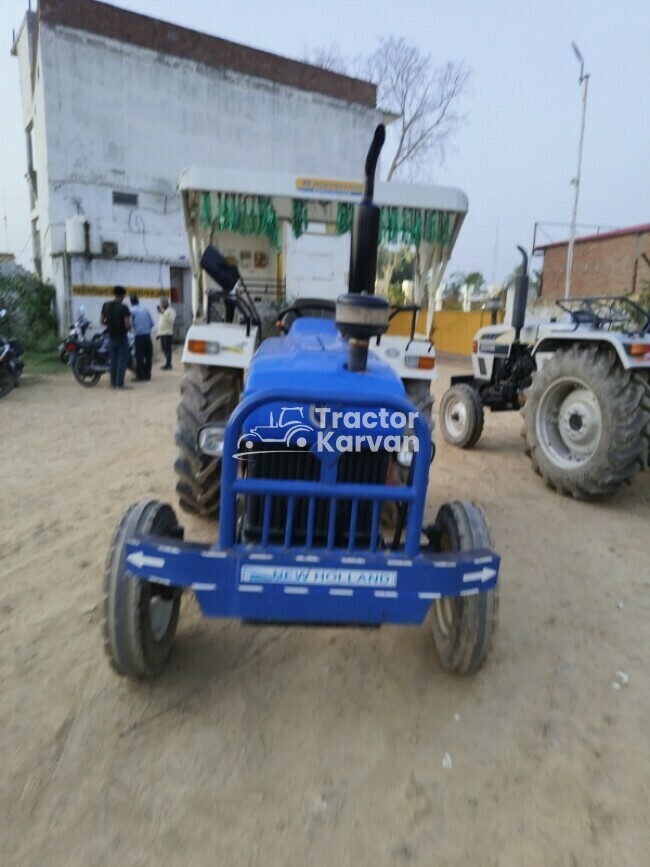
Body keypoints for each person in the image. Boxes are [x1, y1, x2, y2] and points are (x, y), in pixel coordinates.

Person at [101, 286, 131, 389]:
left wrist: (109, 325)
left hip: (111, 337)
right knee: (121, 361)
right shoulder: (124, 307)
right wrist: (129, 328)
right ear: (122, 295)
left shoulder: (106, 305)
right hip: (122, 337)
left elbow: (101, 320)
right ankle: (120, 384)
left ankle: (113, 383)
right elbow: (127, 324)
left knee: (113, 361)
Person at [129, 293, 154, 381]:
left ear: (131, 302)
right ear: (138, 301)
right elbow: (152, 323)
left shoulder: (132, 311)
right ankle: (148, 374)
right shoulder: (145, 310)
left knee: (139, 357)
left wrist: (135, 330)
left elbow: (130, 325)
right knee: (148, 356)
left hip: (139, 337)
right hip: (147, 336)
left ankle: (140, 376)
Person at [157, 298, 176, 370]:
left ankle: (168, 364)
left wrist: (163, 313)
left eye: (162, 303)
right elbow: (161, 323)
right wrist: (158, 334)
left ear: (166, 303)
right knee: (163, 349)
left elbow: (171, 320)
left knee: (167, 349)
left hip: (168, 333)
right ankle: (167, 363)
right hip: (162, 333)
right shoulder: (164, 311)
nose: (161, 305)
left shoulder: (171, 311)